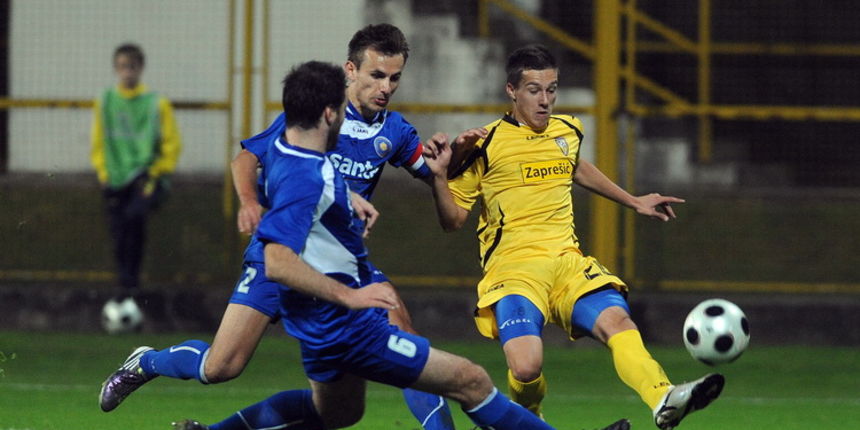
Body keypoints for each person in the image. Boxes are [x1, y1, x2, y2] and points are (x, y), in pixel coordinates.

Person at [186, 61, 627, 430]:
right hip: (347, 324)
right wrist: (352, 295)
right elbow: (278, 261)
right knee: (469, 380)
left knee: (338, 412)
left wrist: (429, 168)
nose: (353, 110)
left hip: (326, 324)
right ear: (329, 113)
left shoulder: (303, 159)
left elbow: (326, 191)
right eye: (342, 106)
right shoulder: (306, 175)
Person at [99, 24, 484, 430]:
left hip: (339, 266)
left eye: (394, 78)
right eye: (376, 75)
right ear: (350, 70)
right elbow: (246, 158)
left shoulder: (395, 131)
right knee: (221, 366)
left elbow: (435, 174)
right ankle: (147, 361)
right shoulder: (316, 115)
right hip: (280, 255)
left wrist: (456, 155)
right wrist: (249, 202)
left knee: (391, 351)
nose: (386, 87)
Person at [423, 44, 724, 430]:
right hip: (513, 270)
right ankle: (528, 423)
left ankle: (663, 396)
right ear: (511, 91)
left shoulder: (568, 129)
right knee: (527, 367)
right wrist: (438, 176)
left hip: (566, 261)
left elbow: (575, 167)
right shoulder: (483, 145)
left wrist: (633, 201)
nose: (545, 100)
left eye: (552, 89)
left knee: (619, 322)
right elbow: (453, 221)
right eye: (534, 90)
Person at [90, 43, 181, 317]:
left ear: (140, 68)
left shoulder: (156, 103)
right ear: (116, 69)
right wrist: (104, 174)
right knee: (119, 233)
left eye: (131, 66)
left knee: (134, 221)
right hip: (115, 179)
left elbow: (172, 143)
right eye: (121, 67)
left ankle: (130, 285)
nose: (126, 72)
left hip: (146, 177)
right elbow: (98, 142)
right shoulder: (105, 101)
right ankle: (125, 284)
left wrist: (156, 171)